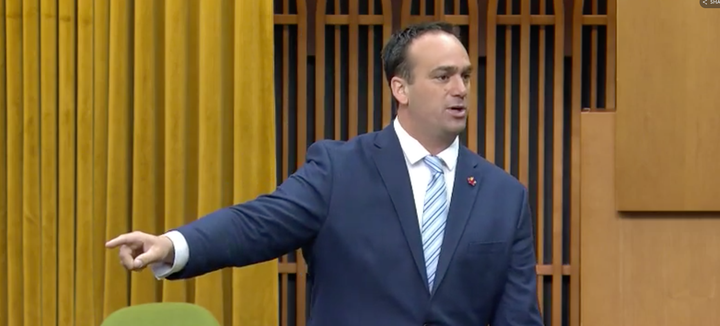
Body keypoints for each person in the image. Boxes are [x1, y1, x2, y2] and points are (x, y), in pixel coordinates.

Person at [106, 21, 544, 325]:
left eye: (465, 76)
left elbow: (519, 317)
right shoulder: (339, 169)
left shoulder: (503, 196)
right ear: (400, 88)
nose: (461, 89)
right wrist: (171, 245)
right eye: (444, 76)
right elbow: (258, 223)